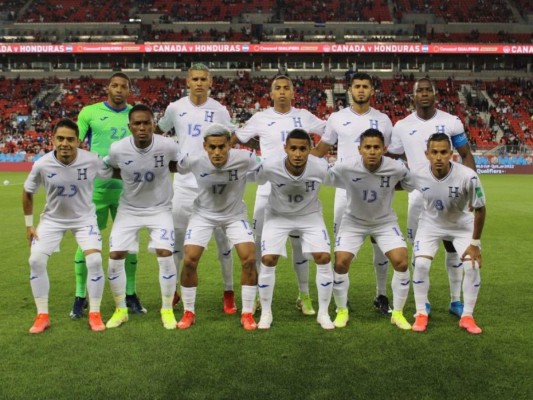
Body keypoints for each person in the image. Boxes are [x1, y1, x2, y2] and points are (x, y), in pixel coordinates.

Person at [234, 74, 326, 316]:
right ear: (271, 93)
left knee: (299, 245)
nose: (283, 92)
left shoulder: (305, 116)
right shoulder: (260, 118)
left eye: (287, 88)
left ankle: (304, 295)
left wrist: (314, 155)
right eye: (278, 88)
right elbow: (237, 138)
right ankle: (253, 296)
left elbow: (330, 133)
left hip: (299, 189)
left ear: (293, 93)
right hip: (268, 188)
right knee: (257, 244)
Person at [387, 77, 476, 317]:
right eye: (420, 91)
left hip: (451, 194)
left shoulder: (451, 122)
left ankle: (455, 300)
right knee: (420, 250)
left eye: (428, 90)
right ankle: (422, 301)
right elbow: (392, 157)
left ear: (435, 94)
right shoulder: (402, 126)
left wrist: (471, 189)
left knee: (452, 247)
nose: (424, 94)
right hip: (418, 195)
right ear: (413, 96)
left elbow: (466, 154)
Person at [156, 63, 236, 314]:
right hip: (184, 184)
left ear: (210, 82)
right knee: (178, 240)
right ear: (187, 82)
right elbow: (159, 132)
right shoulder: (175, 108)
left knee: (224, 242)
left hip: (215, 184)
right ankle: (177, 290)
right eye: (195, 79)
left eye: (204, 79)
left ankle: (229, 292)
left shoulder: (220, 110)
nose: (199, 83)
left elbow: (229, 140)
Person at [312, 72, 394, 315]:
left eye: (365, 86)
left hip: (377, 191)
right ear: (349, 89)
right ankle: (342, 299)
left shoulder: (384, 120)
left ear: (372, 91)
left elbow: (389, 153)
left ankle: (381, 295)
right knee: (342, 246)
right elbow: (322, 148)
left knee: (380, 245)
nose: (360, 90)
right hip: (344, 190)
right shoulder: (336, 118)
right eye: (357, 86)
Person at [23, 118, 113, 333]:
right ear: (53, 139)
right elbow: (27, 192)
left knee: (94, 261)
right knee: (35, 260)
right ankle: (42, 315)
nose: (65, 143)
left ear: (78, 141)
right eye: (60, 138)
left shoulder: (92, 160)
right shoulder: (42, 164)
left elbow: (114, 173)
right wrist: (29, 225)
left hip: (84, 219)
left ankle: (95, 313)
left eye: (70, 139)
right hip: (53, 220)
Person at [71, 72, 146, 318]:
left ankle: (130, 294)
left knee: (130, 245)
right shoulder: (89, 112)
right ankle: (80, 296)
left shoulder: (137, 114)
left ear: (129, 89)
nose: (119, 90)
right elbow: (73, 143)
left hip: (129, 191)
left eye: (123, 86)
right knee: (88, 243)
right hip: (95, 191)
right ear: (108, 88)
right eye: (114, 85)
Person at [174, 124, 259, 331]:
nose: (217, 152)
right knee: (190, 259)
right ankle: (189, 311)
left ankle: (247, 312)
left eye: (222, 146)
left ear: (230, 145)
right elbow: (176, 167)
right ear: (205, 146)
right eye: (212, 147)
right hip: (203, 214)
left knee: (248, 258)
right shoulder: (193, 159)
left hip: (234, 215)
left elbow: (264, 170)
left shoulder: (245, 158)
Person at [327, 129, 412, 330]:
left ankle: (398, 313)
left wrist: (389, 186)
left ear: (383, 149)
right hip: (353, 221)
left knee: (401, 262)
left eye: (376, 147)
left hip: (384, 222)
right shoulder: (346, 166)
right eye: (367, 147)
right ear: (360, 149)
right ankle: (341, 310)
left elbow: (411, 183)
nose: (372, 151)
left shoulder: (396, 168)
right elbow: (322, 176)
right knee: (340, 263)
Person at [105, 104, 180, 330]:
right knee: (115, 255)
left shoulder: (167, 145)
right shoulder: (117, 149)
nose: (141, 127)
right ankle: (121, 310)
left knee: (165, 253)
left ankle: (166, 309)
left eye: (146, 122)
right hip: (129, 209)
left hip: (160, 209)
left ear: (153, 124)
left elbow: (175, 166)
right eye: (136, 123)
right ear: (129, 126)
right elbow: (114, 169)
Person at [254, 129, 334, 330]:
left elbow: (344, 181)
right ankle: (266, 313)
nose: (297, 154)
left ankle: (323, 313)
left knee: (323, 257)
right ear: (285, 149)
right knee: (268, 259)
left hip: (310, 216)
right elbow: (249, 178)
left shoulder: (320, 167)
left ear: (310, 149)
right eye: (293, 149)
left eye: (302, 149)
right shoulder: (271, 166)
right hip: (278, 216)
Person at [409, 133, 486, 334]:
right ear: (427, 154)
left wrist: (475, 243)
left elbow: (481, 208)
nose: (439, 157)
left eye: (444, 152)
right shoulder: (417, 173)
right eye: (434, 152)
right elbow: (397, 184)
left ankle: (467, 316)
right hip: (430, 225)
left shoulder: (468, 176)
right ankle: (420, 313)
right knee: (422, 264)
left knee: (472, 266)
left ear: (452, 154)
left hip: (462, 226)